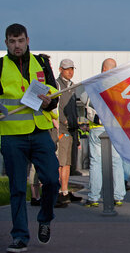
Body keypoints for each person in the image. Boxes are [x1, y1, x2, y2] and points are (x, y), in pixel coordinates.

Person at [2, 23, 61, 251]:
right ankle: (19, 237)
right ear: (6, 43)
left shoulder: (42, 62)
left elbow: (55, 96)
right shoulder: (0, 66)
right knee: (17, 188)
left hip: (40, 133)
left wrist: (50, 101)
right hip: (12, 137)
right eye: (12, 41)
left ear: (28, 40)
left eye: (20, 40)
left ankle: (45, 219)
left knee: (52, 181)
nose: (17, 45)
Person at [85, 58, 127, 207]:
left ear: (103, 68)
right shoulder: (120, 87)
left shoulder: (96, 84)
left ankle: (94, 197)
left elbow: (87, 104)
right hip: (115, 130)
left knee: (96, 162)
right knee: (116, 162)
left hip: (97, 129)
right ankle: (118, 195)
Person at [55, 58, 83, 205]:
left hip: (72, 130)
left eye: (72, 68)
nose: (70, 71)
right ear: (60, 70)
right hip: (62, 130)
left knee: (68, 163)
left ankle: (65, 190)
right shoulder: (57, 84)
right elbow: (56, 106)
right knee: (62, 162)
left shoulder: (72, 86)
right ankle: (61, 192)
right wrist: (63, 121)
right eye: (67, 69)